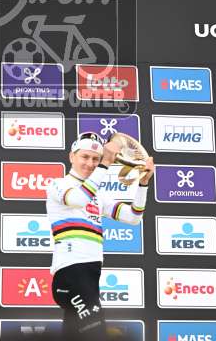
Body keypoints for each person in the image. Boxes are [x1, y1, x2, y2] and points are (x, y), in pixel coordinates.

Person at [46, 131, 155, 341]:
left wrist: (143, 183)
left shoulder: (98, 195)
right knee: (95, 333)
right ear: (72, 157)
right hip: (71, 275)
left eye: (95, 159)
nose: (90, 163)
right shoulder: (58, 185)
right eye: (85, 157)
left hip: (90, 275)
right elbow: (78, 199)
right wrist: (105, 164)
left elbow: (133, 217)